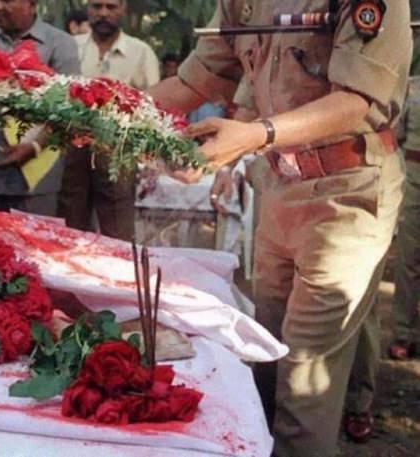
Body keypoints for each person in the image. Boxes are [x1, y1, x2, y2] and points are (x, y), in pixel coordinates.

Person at [149, 2, 410, 456]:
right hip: (280, 186)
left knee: (305, 383)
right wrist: (103, 108)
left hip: (347, 196)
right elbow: (194, 81)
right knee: (266, 353)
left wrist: (254, 135)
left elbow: (357, 101)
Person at [0, 0, 80, 216]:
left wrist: (35, 146)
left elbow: (70, 109)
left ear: (32, 4)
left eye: (7, 0)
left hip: (33, 181)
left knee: (33, 238)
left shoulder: (59, 44)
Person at [59, 0, 159, 241]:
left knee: (118, 233)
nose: (103, 13)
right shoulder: (70, 46)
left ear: (123, 9)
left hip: (118, 153)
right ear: (88, 9)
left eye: (111, 7)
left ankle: (119, 267)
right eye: (97, 6)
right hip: (71, 150)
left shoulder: (141, 52)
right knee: (70, 230)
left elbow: (153, 106)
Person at [388, 75, 420, 360]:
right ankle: (403, 333)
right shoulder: (413, 87)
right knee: (408, 260)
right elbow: (395, 136)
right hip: (414, 183)